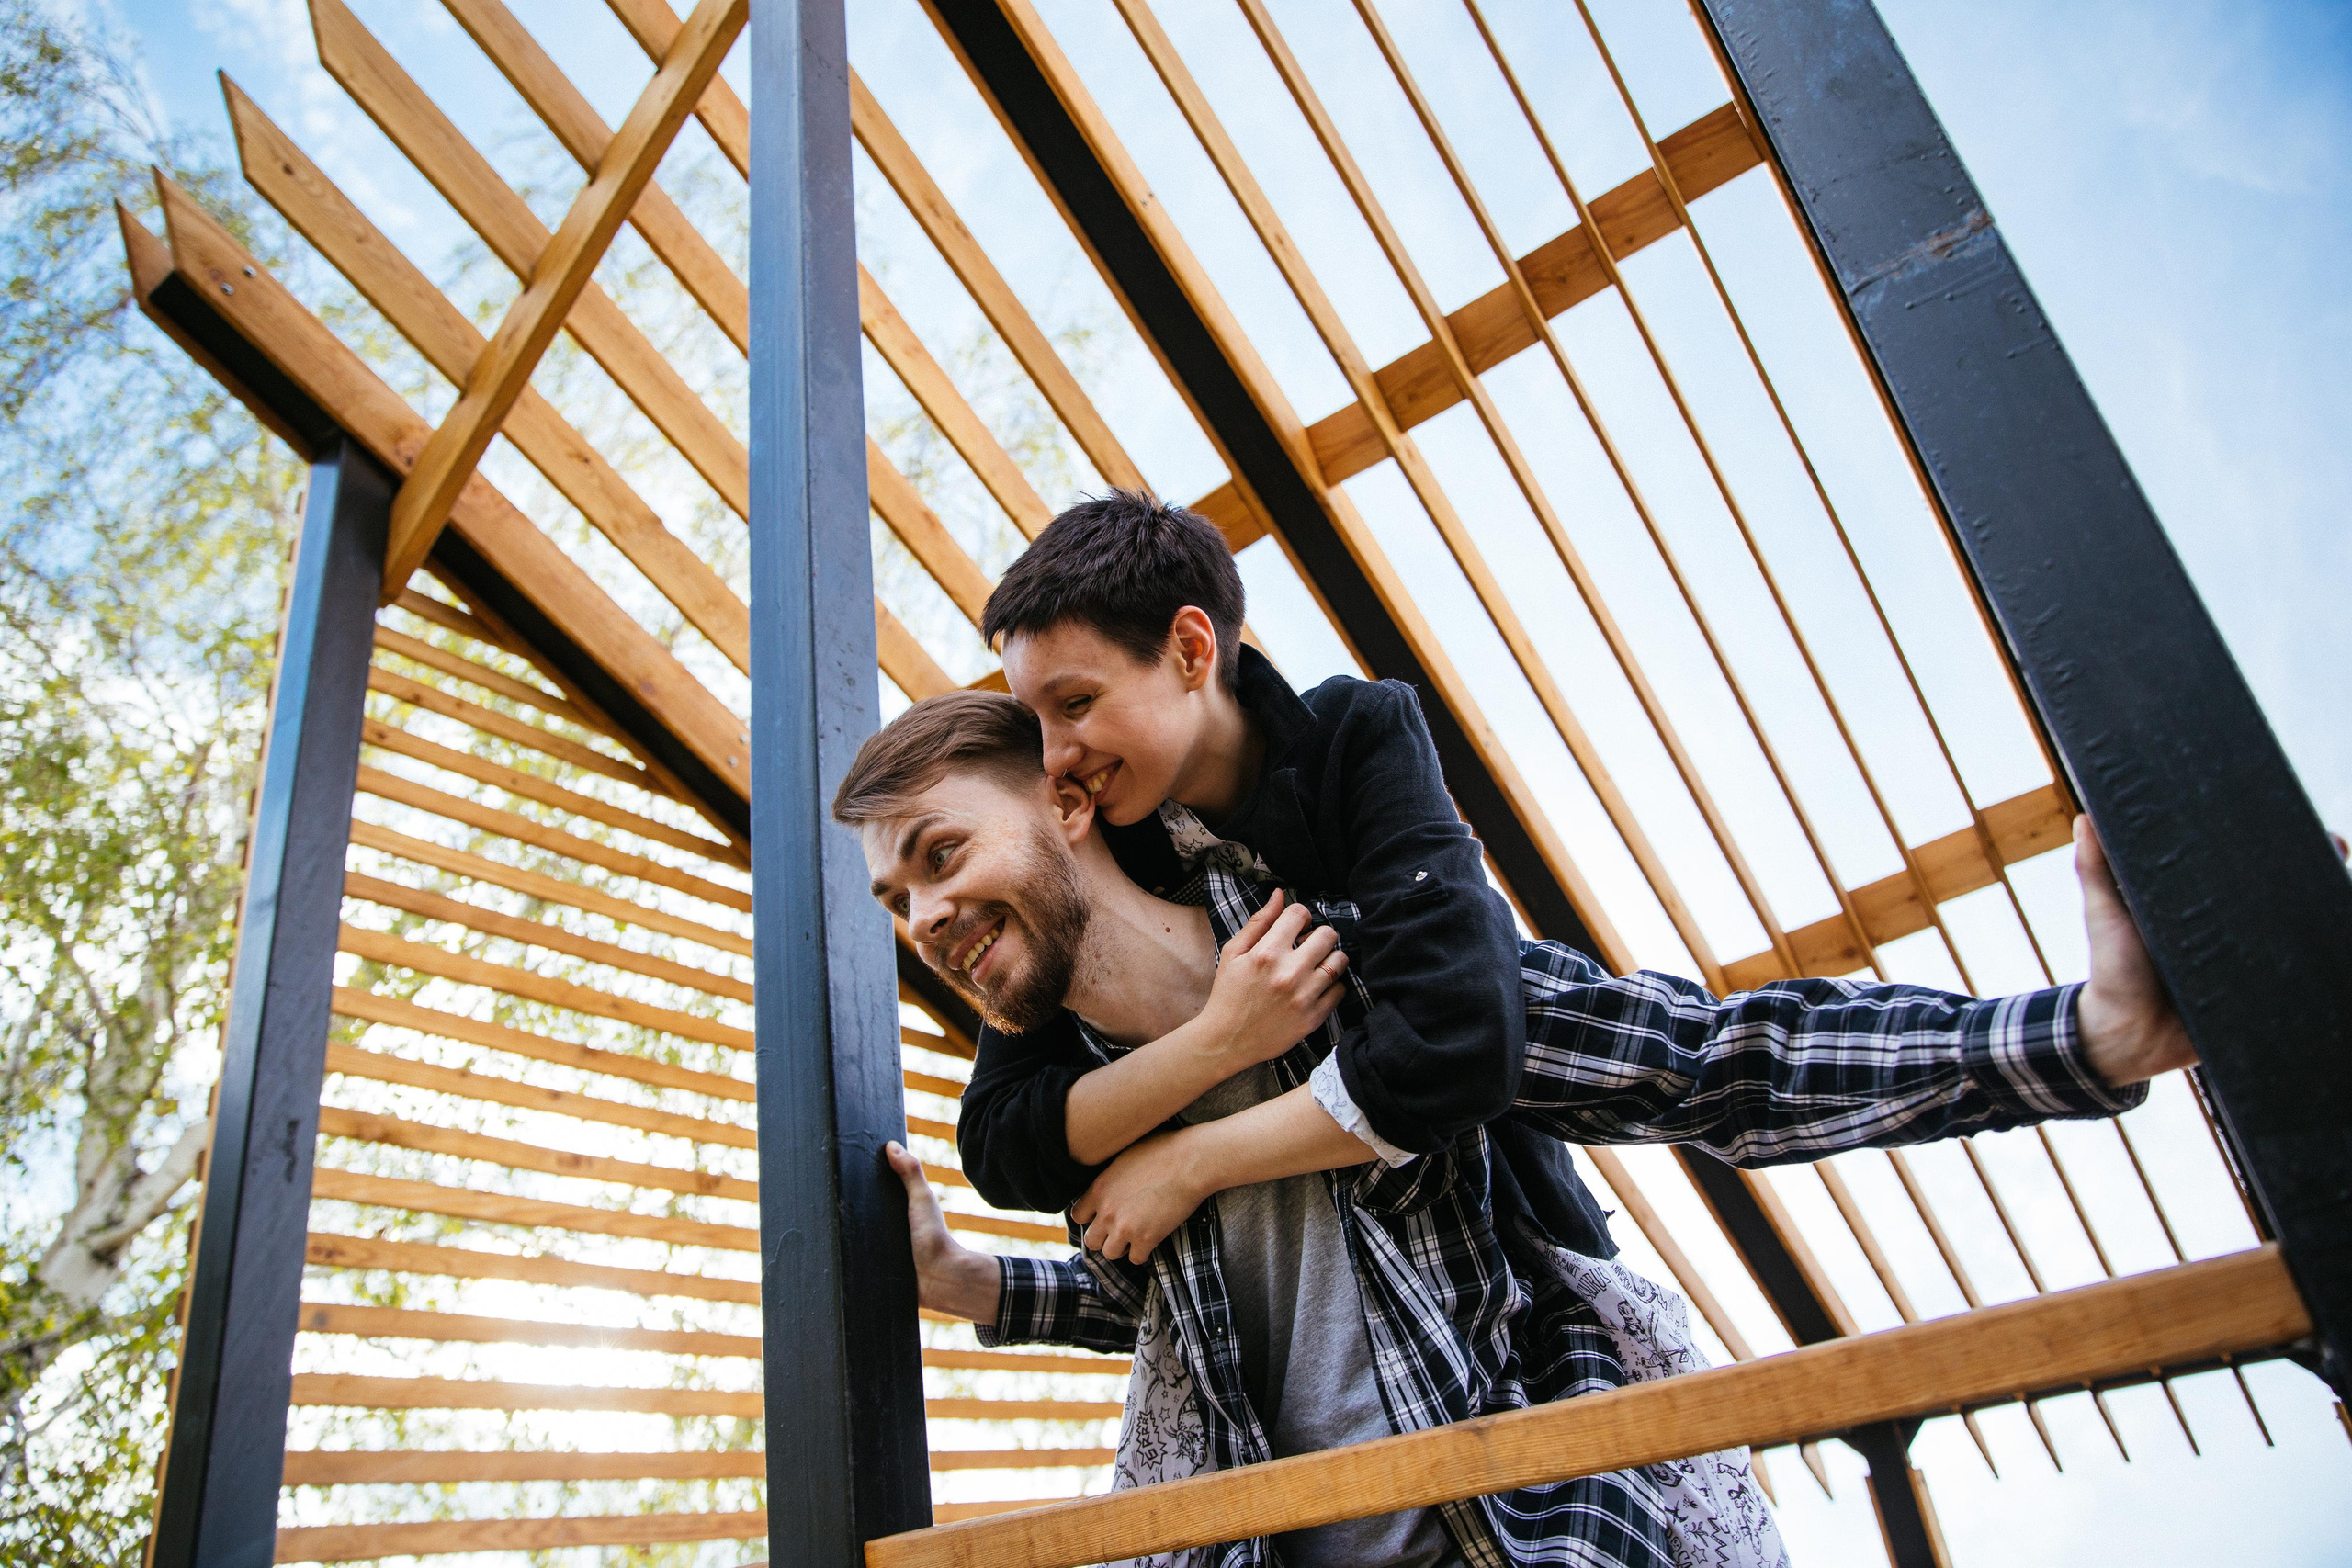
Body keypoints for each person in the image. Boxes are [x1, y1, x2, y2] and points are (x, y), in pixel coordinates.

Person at [842, 692, 2189, 1568]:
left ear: (1069, 801)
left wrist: (2080, 1039)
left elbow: (1702, 1060)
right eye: (897, 898)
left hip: (1518, 1527)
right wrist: (974, 1284)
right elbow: (1196, 1311)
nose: (927, 919)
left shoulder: (1366, 973)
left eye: (942, 854)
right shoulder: (1085, 1115)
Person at [960, 489, 1616, 1264]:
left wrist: (1189, 1162)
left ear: (1191, 650)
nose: (1052, 757)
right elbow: (997, 1141)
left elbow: (1456, 1042)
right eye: (1035, 721)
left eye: (1076, 702)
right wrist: (1214, 1043)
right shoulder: (1093, 848)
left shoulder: (1356, 736)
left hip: (1508, 1248)